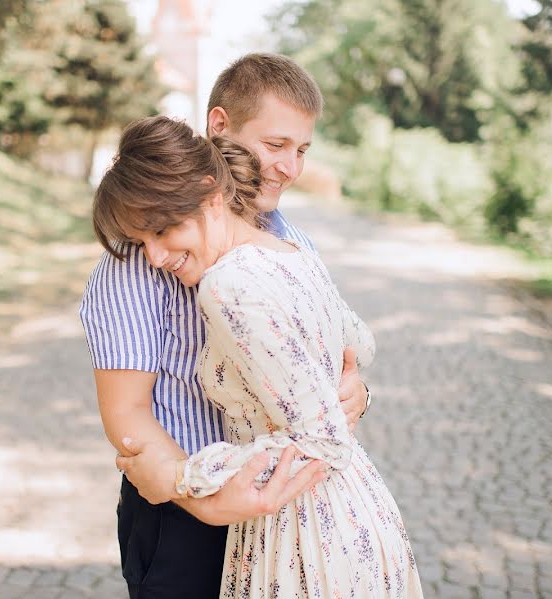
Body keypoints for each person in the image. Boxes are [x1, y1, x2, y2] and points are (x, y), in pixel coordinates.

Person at [91, 115, 423, 598]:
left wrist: (182, 476)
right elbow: (361, 342)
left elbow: (325, 441)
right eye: (142, 241)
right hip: (355, 510)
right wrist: (339, 379)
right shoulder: (290, 253)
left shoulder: (226, 286)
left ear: (211, 194)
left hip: (300, 528)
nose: (155, 256)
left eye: (163, 231)